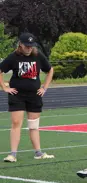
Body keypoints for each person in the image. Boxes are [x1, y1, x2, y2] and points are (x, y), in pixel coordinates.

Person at [0, 32, 54, 162]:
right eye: (27, 46)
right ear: (20, 45)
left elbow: (50, 70)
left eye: (31, 46)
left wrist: (44, 88)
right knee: (16, 123)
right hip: (17, 95)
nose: (29, 48)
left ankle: (38, 153)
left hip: (34, 95)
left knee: (34, 125)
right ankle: (12, 154)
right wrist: (4, 87)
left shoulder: (37, 55)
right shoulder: (13, 57)